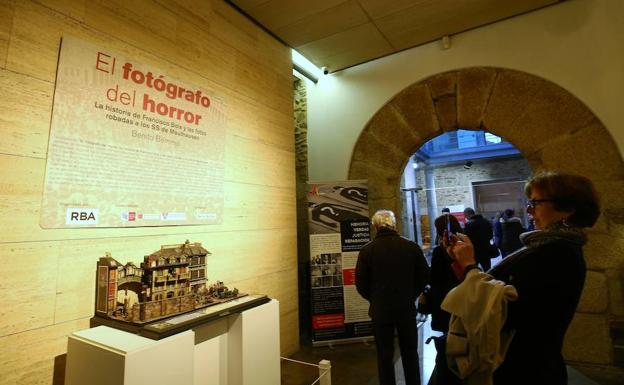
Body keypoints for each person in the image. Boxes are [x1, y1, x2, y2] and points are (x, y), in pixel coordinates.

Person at [445, 171, 600, 385]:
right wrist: (465, 267)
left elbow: (508, 311)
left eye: (536, 203)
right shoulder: (551, 247)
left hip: (525, 370)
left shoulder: (557, 252)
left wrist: (470, 265)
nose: (528, 210)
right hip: (526, 364)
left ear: (568, 209)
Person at [355, 209, 430, 385]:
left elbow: (360, 283)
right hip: (406, 307)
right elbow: (425, 276)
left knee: (384, 355)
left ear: (375, 226)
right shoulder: (411, 247)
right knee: (410, 352)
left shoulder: (367, 251)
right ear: (394, 224)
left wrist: (374, 298)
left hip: (380, 310)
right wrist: (410, 295)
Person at [426, 213, 463, 385]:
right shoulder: (464, 245)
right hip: (462, 296)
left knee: (447, 338)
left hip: (444, 299)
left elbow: (434, 278)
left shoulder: (439, 251)